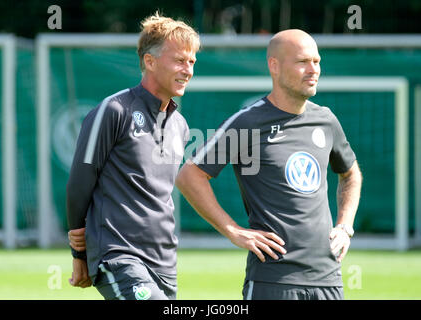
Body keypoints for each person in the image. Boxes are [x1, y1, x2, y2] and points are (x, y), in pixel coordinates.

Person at [176, 29, 362, 300]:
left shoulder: (326, 120)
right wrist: (234, 231)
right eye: (302, 62)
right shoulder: (248, 123)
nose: (313, 70)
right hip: (273, 281)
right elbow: (189, 176)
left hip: (328, 279)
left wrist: (345, 226)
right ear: (274, 66)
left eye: (317, 61)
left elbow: (351, 173)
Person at [66, 12, 200, 300]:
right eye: (179, 60)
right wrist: (79, 253)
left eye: (191, 62)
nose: (188, 70)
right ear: (149, 62)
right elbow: (80, 182)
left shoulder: (181, 124)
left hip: (164, 263)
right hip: (119, 255)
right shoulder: (114, 110)